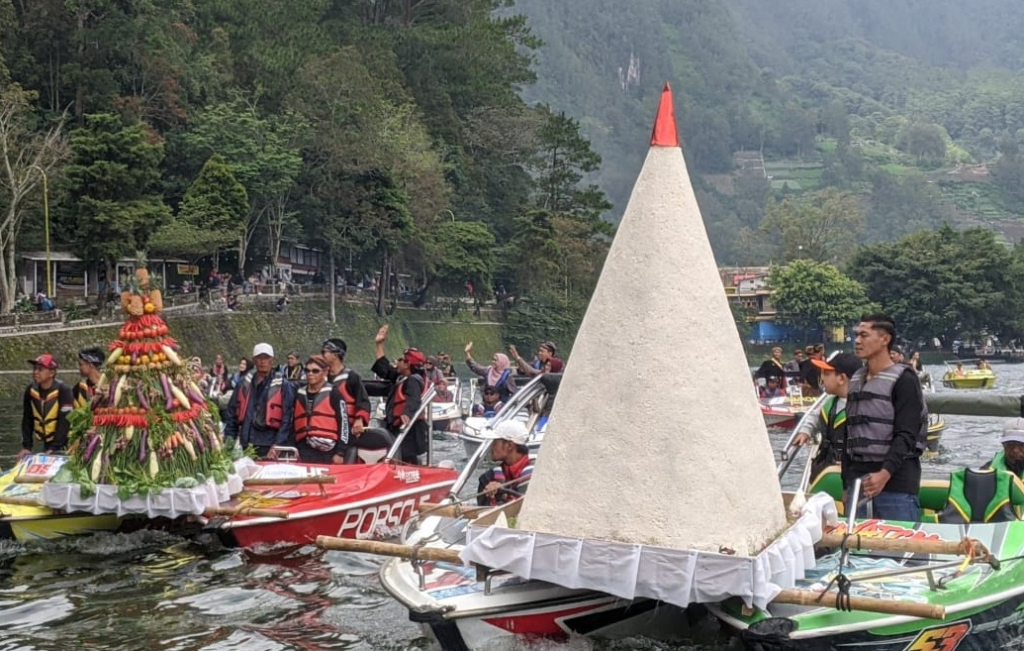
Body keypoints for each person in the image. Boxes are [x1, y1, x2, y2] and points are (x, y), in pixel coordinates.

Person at [845, 314, 928, 522]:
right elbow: (849, 433)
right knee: (856, 541)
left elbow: (906, 433)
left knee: (900, 540)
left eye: (864, 335)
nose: (857, 341)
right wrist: (846, 483)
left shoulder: (904, 380)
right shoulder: (856, 379)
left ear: (885, 339)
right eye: (856, 335)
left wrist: (884, 474)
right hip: (859, 482)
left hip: (897, 484)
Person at [793, 352, 862, 480]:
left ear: (841, 379)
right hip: (825, 463)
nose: (822, 379)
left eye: (827, 374)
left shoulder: (862, 407)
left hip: (847, 471)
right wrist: (805, 431)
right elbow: (814, 416)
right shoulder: (829, 402)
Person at [223, 343, 295, 458]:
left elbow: (288, 418)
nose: (262, 361)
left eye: (266, 358)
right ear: (254, 360)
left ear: (272, 360)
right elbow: (232, 413)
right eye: (259, 358)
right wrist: (228, 441)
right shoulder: (243, 383)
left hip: (269, 444)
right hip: (246, 443)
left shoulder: (284, 385)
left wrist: (278, 444)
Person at [371, 325, 429, 464]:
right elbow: (385, 369)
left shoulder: (414, 380)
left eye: (400, 360)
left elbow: (413, 398)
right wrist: (379, 344)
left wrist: (407, 413)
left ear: (407, 364)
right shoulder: (401, 378)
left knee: (406, 459)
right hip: (395, 427)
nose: (397, 362)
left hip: (409, 431)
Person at [290, 355, 351, 464]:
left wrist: (340, 452)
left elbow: (344, 423)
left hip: (328, 451)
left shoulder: (334, 393)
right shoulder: (299, 394)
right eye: (307, 370)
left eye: (315, 371)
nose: (310, 374)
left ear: (325, 372)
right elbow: (293, 422)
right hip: (304, 448)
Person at [19, 354, 74, 460]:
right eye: (35, 369)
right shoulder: (31, 390)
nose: (35, 372)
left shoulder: (64, 390)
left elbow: (65, 421)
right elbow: (27, 419)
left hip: (66, 444)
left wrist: (54, 448)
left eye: (40, 369)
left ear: (52, 373)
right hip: (47, 443)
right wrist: (27, 446)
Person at [320, 338, 371, 436]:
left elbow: (363, 401)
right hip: (325, 428)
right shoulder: (320, 377)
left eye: (324, 352)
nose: (321, 356)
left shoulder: (351, 377)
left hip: (346, 430)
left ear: (335, 355)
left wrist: (359, 420)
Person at [476, 420, 533, 506]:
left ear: (509, 446)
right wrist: (491, 495)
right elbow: (481, 509)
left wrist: (501, 491)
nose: (492, 446)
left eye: (495, 442)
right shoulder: (487, 478)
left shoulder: (536, 474)